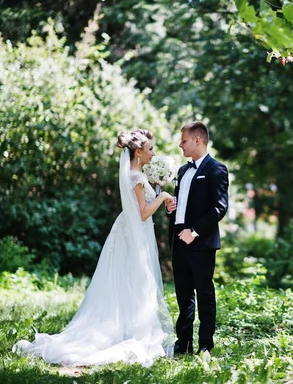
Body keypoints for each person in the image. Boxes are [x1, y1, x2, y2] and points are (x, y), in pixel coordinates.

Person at [13, 129, 175, 367]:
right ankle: (131, 333)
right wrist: (162, 198)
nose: (153, 153)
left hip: (130, 232)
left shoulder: (137, 174)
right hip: (134, 232)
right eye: (150, 149)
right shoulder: (137, 178)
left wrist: (158, 191)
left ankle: (128, 328)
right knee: (137, 282)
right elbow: (142, 214)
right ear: (138, 152)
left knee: (130, 282)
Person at [165, 122, 229, 355]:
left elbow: (219, 208)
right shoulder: (182, 171)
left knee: (204, 293)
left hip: (200, 242)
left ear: (197, 140)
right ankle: (183, 343)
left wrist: (194, 232)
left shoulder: (217, 169)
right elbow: (182, 206)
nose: (180, 145)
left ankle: (205, 345)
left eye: (183, 140)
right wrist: (171, 209)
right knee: (183, 294)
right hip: (178, 239)